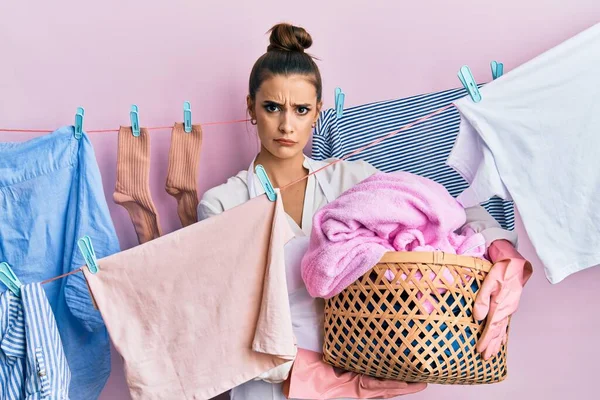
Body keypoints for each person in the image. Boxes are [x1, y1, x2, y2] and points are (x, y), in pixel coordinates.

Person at [198, 23, 519, 400]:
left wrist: (503, 251)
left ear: (318, 112)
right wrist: (336, 382)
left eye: (301, 109)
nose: (286, 125)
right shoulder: (222, 205)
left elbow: (446, 210)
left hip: (364, 382)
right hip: (271, 390)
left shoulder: (351, 181)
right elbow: (228, 330)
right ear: (250, 107)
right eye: (272, 107)